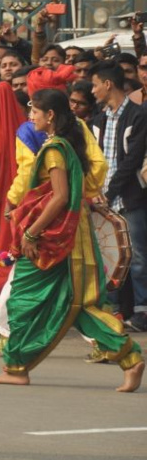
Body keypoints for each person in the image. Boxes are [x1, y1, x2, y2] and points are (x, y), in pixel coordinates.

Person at [0, 89, 143, 392]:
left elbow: (59, 198)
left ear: (50, 116)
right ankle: (17, 367)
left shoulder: (56, 149)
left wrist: (31, 233)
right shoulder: (64, 144)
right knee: (73, 305)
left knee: (23, 299)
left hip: (56, 240)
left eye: (34, 111)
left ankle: (18, 366)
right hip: (68, 236)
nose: (30, 117)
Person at [89, 62, 147, 332]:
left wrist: (109, 192)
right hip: (102, 200)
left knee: (138, 256)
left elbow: (132, 160)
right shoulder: (98, 121)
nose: (93, 90)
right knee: (109, 256)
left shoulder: (138, 115)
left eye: (95, 84)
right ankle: (112, 310)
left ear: (108, 84)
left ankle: (141, 310)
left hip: (129, 198)